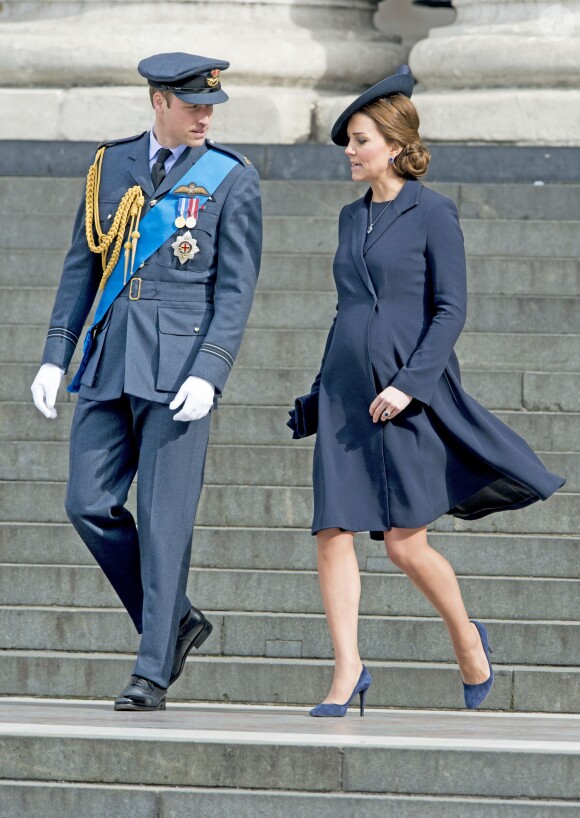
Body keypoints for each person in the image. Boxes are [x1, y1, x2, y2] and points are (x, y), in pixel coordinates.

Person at [288, 65, 565, 716]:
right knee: (333, 531)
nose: (349, 153)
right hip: (347, 397)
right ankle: (346, 668)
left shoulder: (434, 213)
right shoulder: (348, 219)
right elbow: (345, 310)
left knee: (404, 543)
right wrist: (318, 390)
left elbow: (450, 311)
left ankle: (468, 638)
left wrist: (409, 387)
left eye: (358, 141)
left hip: (408, 398)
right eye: (349, 142)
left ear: (391, 143)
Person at [30, 52, 262, 711]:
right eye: (192, 105)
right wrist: (56, 353)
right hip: (109, 362)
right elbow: (83, 265)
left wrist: (212, 371)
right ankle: (177, 620)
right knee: (86, 502)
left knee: (164, 524)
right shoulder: (111, 165)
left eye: (211, 106)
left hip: (179, 370)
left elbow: (236, 291)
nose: (205, 116)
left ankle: (152, 669)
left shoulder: (231, 179)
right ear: (159, 101)